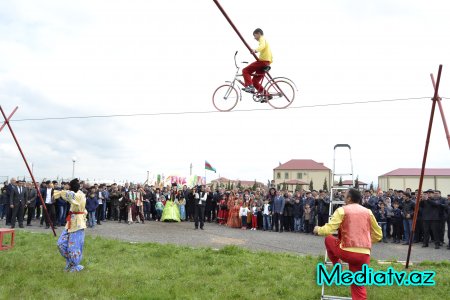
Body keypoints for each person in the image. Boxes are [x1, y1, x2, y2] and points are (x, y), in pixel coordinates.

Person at [314, 188, 382, 300]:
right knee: (358, 284)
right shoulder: (368, 212)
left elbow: (329, 230)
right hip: (364, 254)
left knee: (329, 239)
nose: (344, 198)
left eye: (345, 196)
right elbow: (379, 234)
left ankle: (337, 266)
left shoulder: (342, 210)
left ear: (349, 198)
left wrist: (318, 229)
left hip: (347, 251)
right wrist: (367, 242)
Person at [55, 178, 87, 272]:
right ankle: (70, 261)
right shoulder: (75, 194)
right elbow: (68, 195)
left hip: (78, 224)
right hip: (70, 222)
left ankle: (75, 265)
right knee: (61, 243)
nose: (68, 189)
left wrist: (59, 192)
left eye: (69, 187)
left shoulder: (79, 195)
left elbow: (69, 195)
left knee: (74, 246)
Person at [242, 28, 273, 102]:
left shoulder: (262, 39)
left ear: (259, 33)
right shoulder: (264, 40)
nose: (254, 38)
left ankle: (249, 86)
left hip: (263, 61)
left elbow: (262, 46)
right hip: (266, 62)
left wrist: (255, 50)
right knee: (255, 82)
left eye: (255, 35)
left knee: (245, 70)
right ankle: (267, 95)